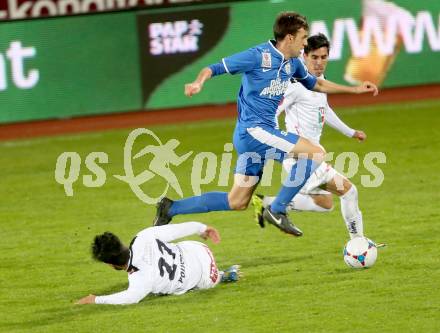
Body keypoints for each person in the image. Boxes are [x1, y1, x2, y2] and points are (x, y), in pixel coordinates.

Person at [153, 12, 378, 236]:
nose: (305, 43)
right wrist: (198, 82)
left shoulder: (293, 64)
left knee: (237, 200)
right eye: (303, 37)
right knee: (315, 153)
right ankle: (277, 209)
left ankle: (171, 207)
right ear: (289, 38)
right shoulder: (258, 56)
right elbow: (214, 68)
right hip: (254, 132)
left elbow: (316, 84)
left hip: (255, 136)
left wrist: (355, 89)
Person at [252, 33, 367, 239]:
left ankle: (268, 204)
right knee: (349, 192)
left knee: (326, 204)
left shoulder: (318, 81)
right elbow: (271, 113)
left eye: (324, 57)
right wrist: (280, 143)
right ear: (304, 55)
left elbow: (325, 109)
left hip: (311, 158)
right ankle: (359, 244)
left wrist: (350, 132)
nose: (319, 62)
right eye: (315, 57)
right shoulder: (295, 85)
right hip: (302, 157)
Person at [76, 222, 240, 305]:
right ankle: (220, 274)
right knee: (176, 252)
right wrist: (201, 228)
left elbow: (131, 298)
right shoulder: (142, 236)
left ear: (111, 265)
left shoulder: (140, 281)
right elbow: (176, 229)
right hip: (202, 250)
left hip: (208, 278)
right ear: (122, 244)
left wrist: (95, 299)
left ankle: (223, 275)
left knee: (165, 290)